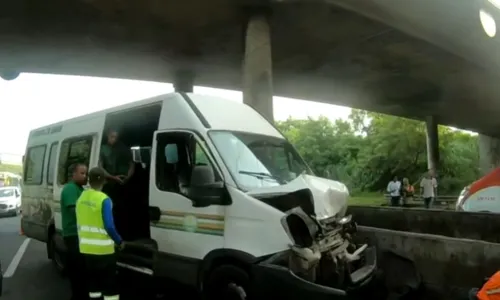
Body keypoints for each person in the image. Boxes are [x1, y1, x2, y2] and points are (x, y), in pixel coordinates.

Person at [76, 167, 125, 300]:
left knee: (94, 285)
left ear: (89, 180)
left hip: (86, 249)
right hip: (104, 251)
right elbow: (109, 226)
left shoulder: (81, 197)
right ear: (104, 181)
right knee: (110, 288)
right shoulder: (104, 199)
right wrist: (119, 241)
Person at [99, 129, 135, 238]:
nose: (114, 139)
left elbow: (131, 164)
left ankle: (124, 234)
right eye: (112, 136)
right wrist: (112, 177)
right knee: (110, 210)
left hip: (123, 184)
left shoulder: (123, 148)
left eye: (116, 137)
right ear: (107, 136)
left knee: (124, 210)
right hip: (109, 184)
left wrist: (128, 177)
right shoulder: (102, 149)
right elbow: (100, 167)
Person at [60, 163, 88, 300]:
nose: (85, 176)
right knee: (77, 271)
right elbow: (74, 210)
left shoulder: (80, 189)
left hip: (80, 234)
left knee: (80, 269)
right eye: (82, 173)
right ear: (74, 174)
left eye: (86, 173)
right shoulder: (70, 189)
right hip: (73, 234)